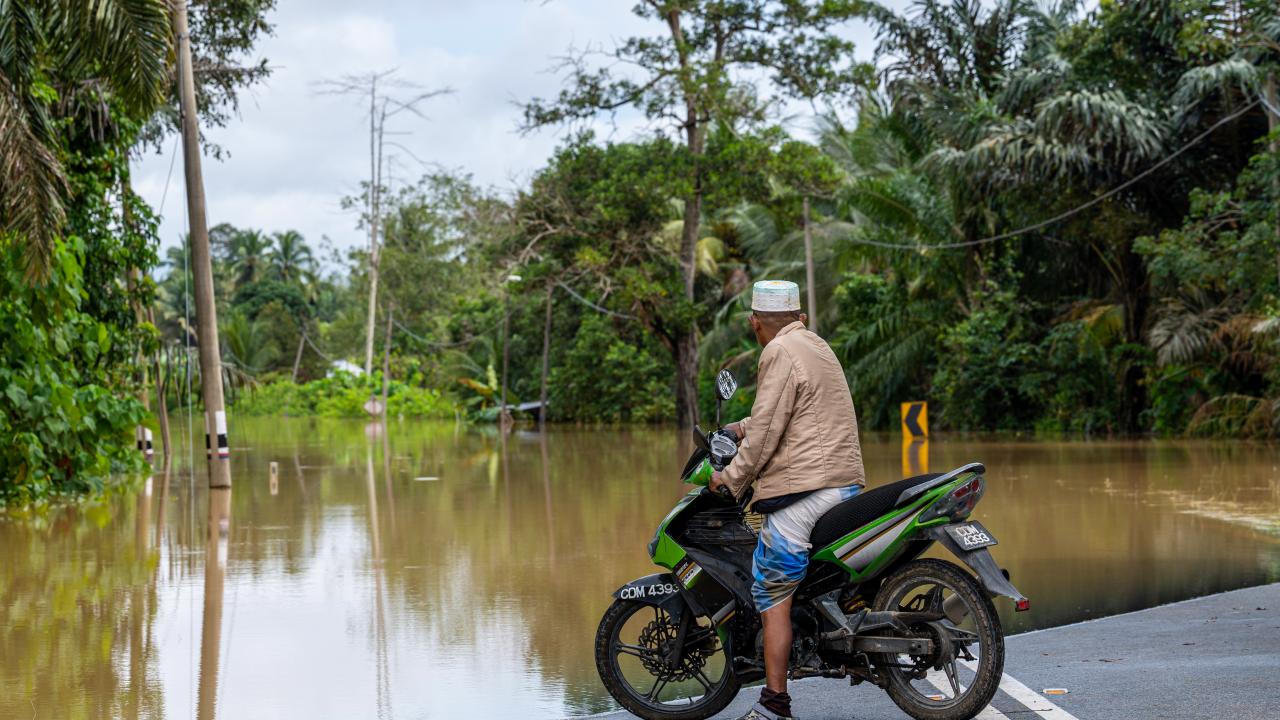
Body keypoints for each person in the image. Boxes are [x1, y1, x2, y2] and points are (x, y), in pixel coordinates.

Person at [710, 280, 866, 720]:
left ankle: (774, 704)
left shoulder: (776, 352)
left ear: (754, 322)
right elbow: (784, 412)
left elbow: (765, 438)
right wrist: (739, 427)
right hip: (842, 482)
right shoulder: (815, 345)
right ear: (801, 317)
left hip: (808, 490)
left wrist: (730, 478)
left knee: (770, 585)